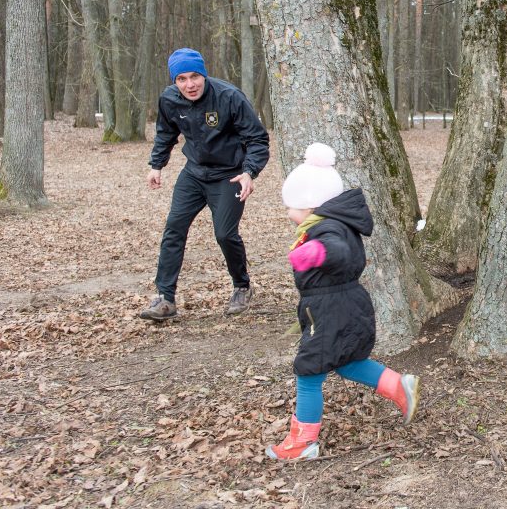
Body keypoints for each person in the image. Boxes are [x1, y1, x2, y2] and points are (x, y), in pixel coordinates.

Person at [265, 143, 421, 462]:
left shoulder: (328, 228)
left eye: (290, 207)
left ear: (309, 205)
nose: (288, 213)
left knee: (309, 372)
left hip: (331, 311)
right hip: (342, 305)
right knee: (346, 360)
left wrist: (314, 253)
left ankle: (303, 442)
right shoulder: (332, 221)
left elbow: (337, 251)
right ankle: (397, 386)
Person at [139, 48, 270, 321]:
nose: (190, 84)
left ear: (204, 75)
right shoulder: (170, 99)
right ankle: (165, 298)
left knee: (224, 234)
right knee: (174, 227)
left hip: (230, 174)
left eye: (195, 77)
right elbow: (166, 133)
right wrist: (157, 165)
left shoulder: (228, 96)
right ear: (175, 81)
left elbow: (258, 139)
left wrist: (249, 172)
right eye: (182, 79)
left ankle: (242, 286)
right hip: (194, 173)